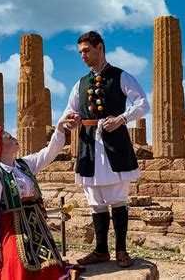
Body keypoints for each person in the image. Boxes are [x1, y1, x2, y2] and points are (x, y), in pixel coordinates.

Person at [0, 114, 80, 280]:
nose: (14, 138)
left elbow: (48, 153)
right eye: (9, 138)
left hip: (35, 224)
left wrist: (59, 128)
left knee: (49, 266)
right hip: (12, 226)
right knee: (17, 267)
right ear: (0, 148)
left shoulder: (24, 165)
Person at [63, 31, 149, 268]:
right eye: (80, 52)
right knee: (95, 201)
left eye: (87, 51)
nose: (83, 56)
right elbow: (68, 111)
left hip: (114, 144)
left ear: (100, 47)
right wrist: (70, 119)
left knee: (118, 199)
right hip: (88, 145)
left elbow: (142, 104)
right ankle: (101, 250)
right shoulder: (80, 84)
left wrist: (122, 118)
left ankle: (121, 250)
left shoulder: (121, 76)